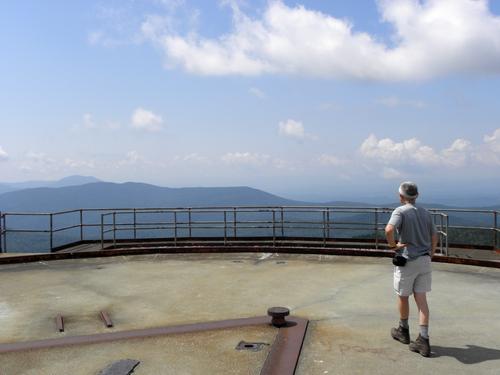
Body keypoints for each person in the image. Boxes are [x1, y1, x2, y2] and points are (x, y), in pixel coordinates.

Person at [385, 181, 438, 357]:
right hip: (424, 260)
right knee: (422, 300)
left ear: (401, 196)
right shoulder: (425, 212)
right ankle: (423, 340)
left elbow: (389, 229)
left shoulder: (400, 211)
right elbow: (434, 235)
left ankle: (403, 330)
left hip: (408, 260)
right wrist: (430, 254)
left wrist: (393, 246)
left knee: (403, 296)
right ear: (417, 196)